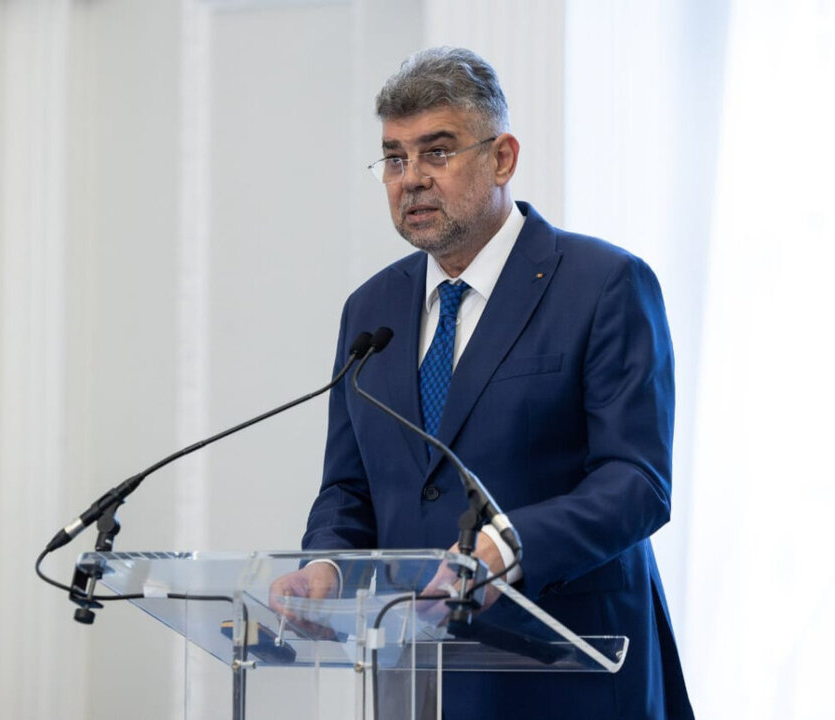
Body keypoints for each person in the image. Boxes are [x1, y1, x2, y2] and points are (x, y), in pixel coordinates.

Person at [269, 47, 693, 719]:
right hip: (415, 677)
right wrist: (325, 565)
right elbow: (349, 487)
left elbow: (636, 483)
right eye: (394, 158)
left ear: (501, 158)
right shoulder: (371, 309)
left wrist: (507, 547)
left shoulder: (602, 284)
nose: (411, 179)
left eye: (436, 152)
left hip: (569, 676)